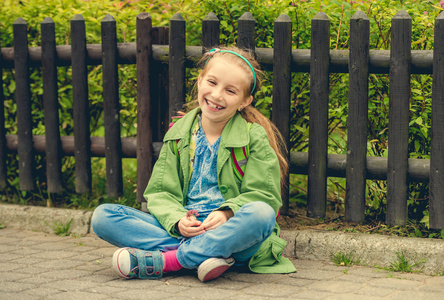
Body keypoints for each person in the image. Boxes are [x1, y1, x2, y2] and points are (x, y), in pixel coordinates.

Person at [91, 46, 296, 282]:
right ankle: (207, 256)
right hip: (190, 227)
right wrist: (178, 220)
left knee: (261, 214)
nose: (217, 95)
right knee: (103, 216)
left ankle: (172, 261)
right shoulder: (179, 134)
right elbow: (160, 193)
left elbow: (263, 196)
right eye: (212, 82)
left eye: (230, 91)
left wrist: (227, 213)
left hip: (232, 232)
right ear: (200, 82)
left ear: (244, 101)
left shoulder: (253, 137)